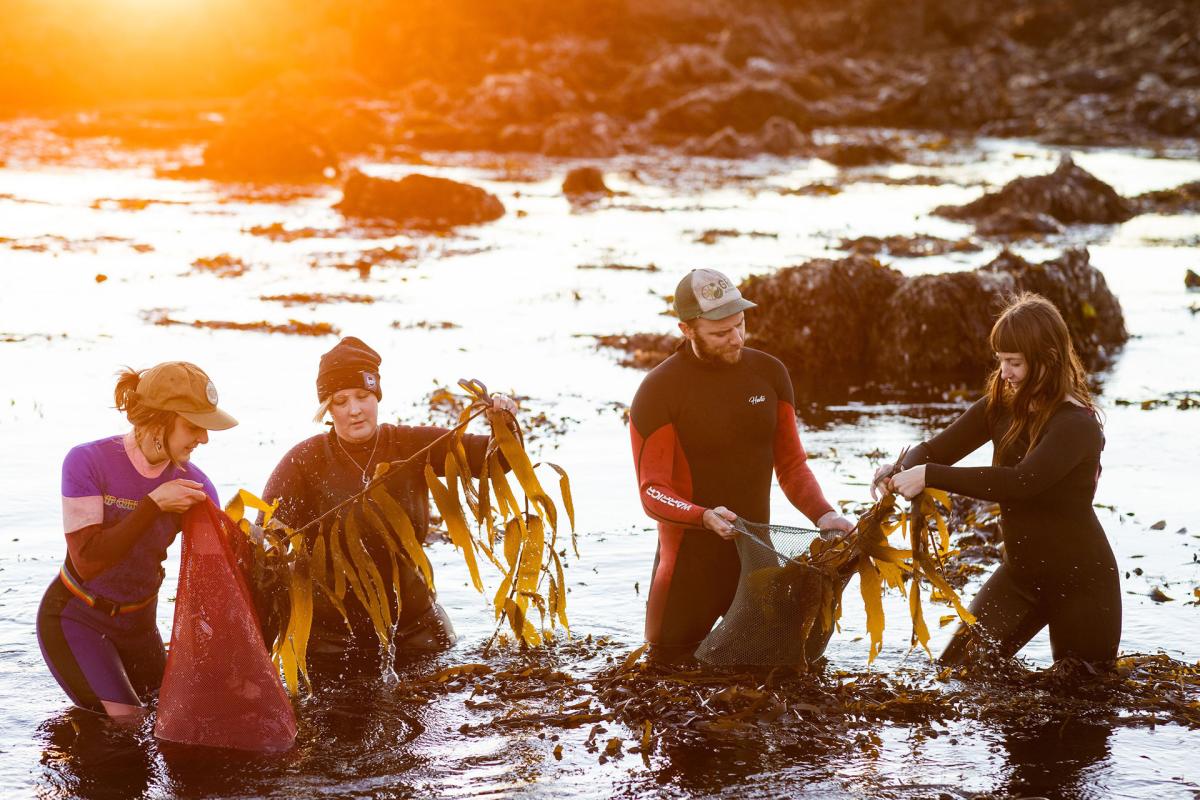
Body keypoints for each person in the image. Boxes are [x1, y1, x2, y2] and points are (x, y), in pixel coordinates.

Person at [877, 293, 1119, 666]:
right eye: (1001, 361)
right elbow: (934, 450)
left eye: (1014, 362)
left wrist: (928, 476)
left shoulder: (1077, 425)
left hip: (1082, 587)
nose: (1004, 372)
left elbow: (1020, 482)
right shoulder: (1000, 406)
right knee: (955, 672)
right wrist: (901, 467)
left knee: (1080, 704)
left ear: (1048, 359)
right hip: (1020, 578)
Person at [629, 268, 853, 663]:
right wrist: (703, 516)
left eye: (740, 324)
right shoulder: (659, 390)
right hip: (686, 575)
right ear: (686, 329)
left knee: (776, 690)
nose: (736, 338)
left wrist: (825, 514)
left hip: (756, 568)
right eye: (720, 332)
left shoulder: (768, 374)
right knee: (668, 687)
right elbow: (652, 492)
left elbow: (792, 466)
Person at [262, 336, 516, 677]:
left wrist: (505, 422)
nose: (354, 409)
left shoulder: (410, 443)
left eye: (363, 396)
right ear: (326, 408)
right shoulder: (303, 461)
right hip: (332, 643)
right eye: (340, 401)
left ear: (376, 396)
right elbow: (266, 540)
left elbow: (496, 460)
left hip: (417, 632)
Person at [37, 362, 237, 721]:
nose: (204, 438)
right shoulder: (87, 462)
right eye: (193, 426)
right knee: (128, 723)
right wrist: (153, 505)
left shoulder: (197, 488)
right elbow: (88, 560)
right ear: (159, 420)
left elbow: (215, 581)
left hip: (140, 627)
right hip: (77, 617)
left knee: (176, 720)